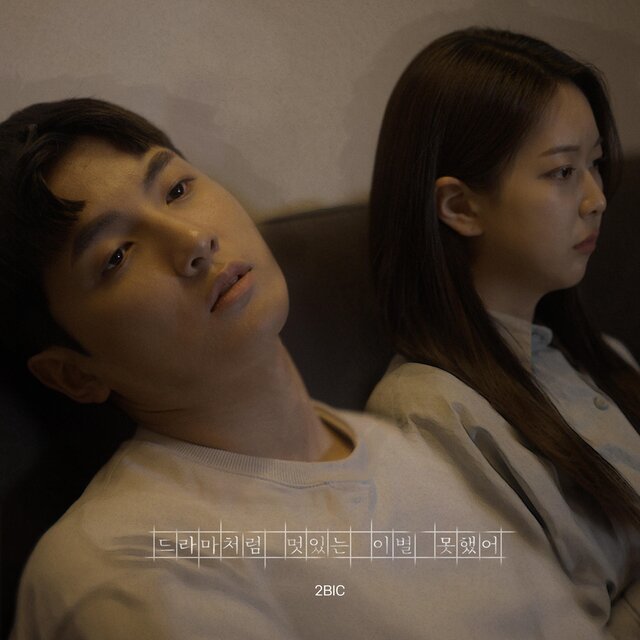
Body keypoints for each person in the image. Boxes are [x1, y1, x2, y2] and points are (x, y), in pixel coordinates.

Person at [1, 98, 614, 640]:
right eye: (116, 255)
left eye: (178, 189)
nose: (192, 240)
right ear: (74, 374)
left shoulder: (406, 448)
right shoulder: (124, 569)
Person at [366, 27, 640, 639]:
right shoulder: (429, 416)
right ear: (460, 207)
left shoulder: (594, 357)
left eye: (595, 164)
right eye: (563, 171)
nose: (597, 198)